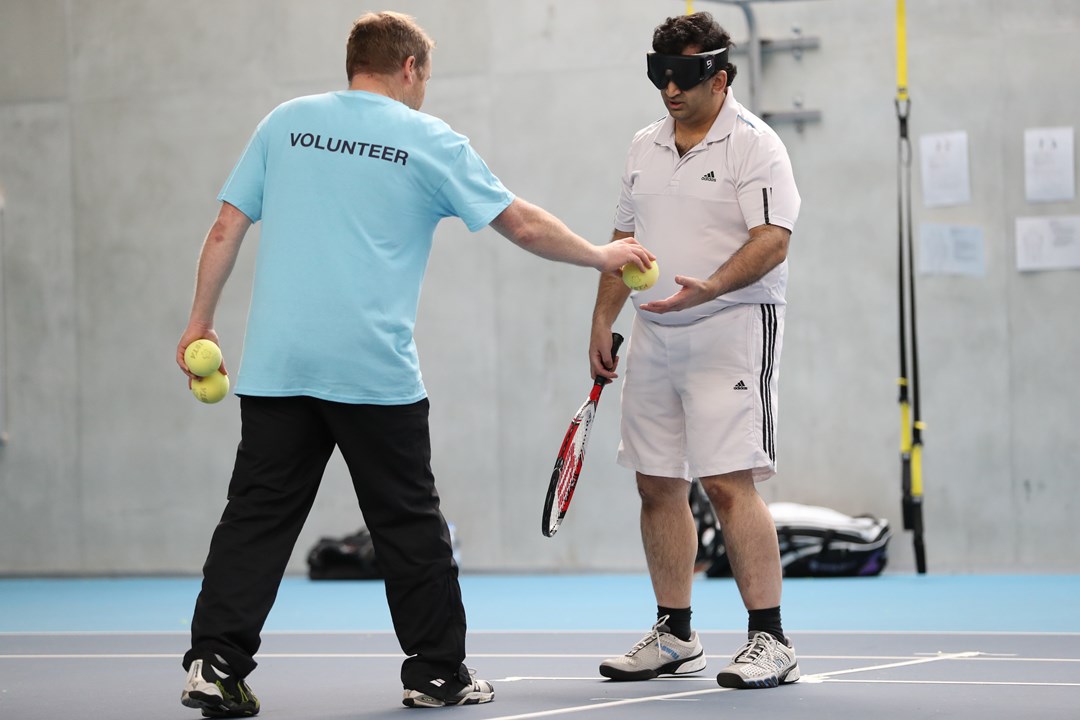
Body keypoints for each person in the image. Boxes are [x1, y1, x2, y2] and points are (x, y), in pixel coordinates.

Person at [175, 11, 654, 717]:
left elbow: (225, 226)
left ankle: (215, 663)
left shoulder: (284, 123)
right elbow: (517, 221)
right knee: (407, 523)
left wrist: (198, 324)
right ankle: (436, 672)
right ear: (409, 68)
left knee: (253, 518)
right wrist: (600, 253)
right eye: (426, 74)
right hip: (373, 372)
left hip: (277, 368)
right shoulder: (429, 140)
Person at [590, 12, 801, 690]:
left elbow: (773, 239)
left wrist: (709, 287)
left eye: (681, 77)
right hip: (655, 335)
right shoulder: (643, 145)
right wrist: (601, 321)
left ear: (719, 76)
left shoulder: (755, 145)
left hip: (730, 328)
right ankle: (675, 633)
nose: (669, 91)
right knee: (656, 482)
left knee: (726, 482)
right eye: (659, 76)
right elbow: (622, 242)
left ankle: (771, 640)